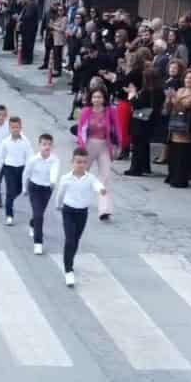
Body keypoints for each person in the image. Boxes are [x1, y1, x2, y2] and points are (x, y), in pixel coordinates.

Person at [55, 147, 108, 287]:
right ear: (72, 162)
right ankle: (68, 270)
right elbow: (60, 193)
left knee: (76, 240)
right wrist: (58, 205)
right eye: (78, 162)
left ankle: (70, 259)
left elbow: (97, 185)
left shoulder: (90, 178)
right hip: (68, 211)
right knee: (70, 240)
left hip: (82, 212)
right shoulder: (66, 178)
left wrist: (101, 189)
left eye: (84, 162)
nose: (81, 165)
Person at [75, 87, 119, 221]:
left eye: (99, 97)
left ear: (104, 98)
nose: (97, 100)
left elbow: (117, 129)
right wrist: (81, 148)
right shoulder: (85, 112)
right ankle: (77, 201)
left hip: (104, 146)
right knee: (82, 175)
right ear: (91, 99)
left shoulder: (110, 111)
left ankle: (104, 210)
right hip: (89, 145)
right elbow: (80, 131)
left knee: (104, 177)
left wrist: (118, 146)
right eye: (94, 97)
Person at [23, 133, 60, 255]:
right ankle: (38, 243)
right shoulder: (33, 160)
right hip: (34, 187)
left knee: (39, 213)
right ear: (39, 145)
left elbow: (54, 171)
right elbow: (26, 174)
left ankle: (32, 224)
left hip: (47, 189)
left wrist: (53, 181)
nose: (47, 147)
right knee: (39, 214)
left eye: (49, 144)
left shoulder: (54, 160)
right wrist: (24, 188)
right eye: (44, 144)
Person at [0, 116, 32, 225]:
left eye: (17, 127)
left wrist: (30, 172)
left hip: (21, 169)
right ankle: (9, 215)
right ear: (9, 128)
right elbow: (0, 159)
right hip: (9, 168)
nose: (15, 129)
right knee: (10, 191)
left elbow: (30, 157)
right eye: (13, 127)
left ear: (21, 127)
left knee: (18, 190)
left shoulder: (26, 141)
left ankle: (9, 200)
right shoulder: (5, 142)